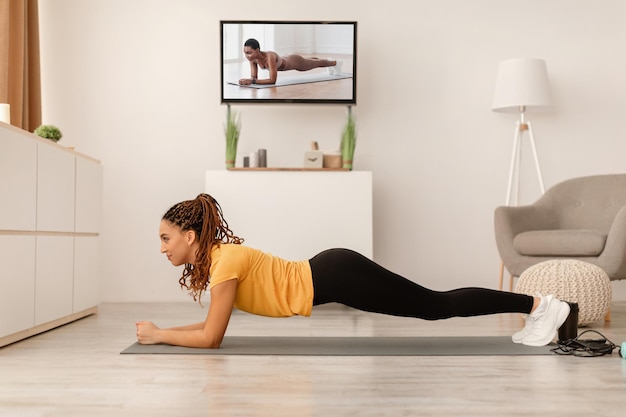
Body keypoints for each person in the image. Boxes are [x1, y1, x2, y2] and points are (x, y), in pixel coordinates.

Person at [135, 194, 572, 349]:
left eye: (165, 238)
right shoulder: (220, 263)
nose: (162, 248)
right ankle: (544, 309)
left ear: (191, 237)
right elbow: (215, 324)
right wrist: (163, 331)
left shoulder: (224, 262)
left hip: (336, 274)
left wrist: (158, 335)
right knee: (435, 304)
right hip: (331, 272)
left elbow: (212, 339)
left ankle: (544, 306)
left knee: (437, 306)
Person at [238, 38, 341, 86]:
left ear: (257, 50)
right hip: (286, 58)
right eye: (245, 53)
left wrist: (252, 81)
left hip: (294, 62)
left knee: (314, 64)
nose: (246, 56)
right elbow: (254, 78)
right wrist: (247, 80)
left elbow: (272, 80)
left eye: (249, 53)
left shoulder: (269, 56)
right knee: (310, 61)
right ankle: (322, 60)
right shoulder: (253, 59)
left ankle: (335, 63)